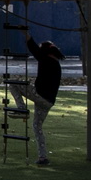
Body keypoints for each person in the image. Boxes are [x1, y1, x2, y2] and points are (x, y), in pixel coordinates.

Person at [24, 31, 64, 165]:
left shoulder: (46, 60)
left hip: (39, 95)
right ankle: (43, 157)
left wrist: (26, 34)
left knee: (14, 85)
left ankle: (21, 107)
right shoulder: (56, 65)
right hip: (48, 102)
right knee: (37, 126)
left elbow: (34, 48)